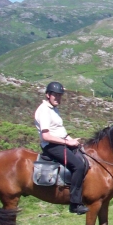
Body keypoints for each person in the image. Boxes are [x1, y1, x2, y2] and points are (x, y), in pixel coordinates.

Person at [34, 82, 89, 214]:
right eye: (55, 95)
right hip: (52, 146)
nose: (58, 98)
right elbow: (46, 136)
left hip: (61, 142)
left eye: (60, 96)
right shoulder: (44, 110)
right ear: (48, 95)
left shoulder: (53, 109)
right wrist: (66, 142)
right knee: (78, 166)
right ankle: (75, 203)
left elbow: (59, 130)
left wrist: (71, 140)